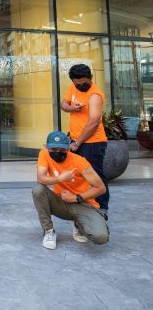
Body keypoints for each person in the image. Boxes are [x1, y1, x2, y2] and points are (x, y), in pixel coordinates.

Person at [32, 131, 109, 250]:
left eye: (62, 149)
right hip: (61, 202)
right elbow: (41, 178)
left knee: (101, 237)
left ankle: (78, 224)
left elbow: (101, 188)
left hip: (83, 203)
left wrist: (77, 197)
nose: (58, 152)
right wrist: (59, 179)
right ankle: (49, 231)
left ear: (69, 148)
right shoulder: (44, 154)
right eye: (53, 149)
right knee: (38, 189)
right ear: (46, 147)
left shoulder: (80, 162)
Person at [60, 64, 109, 218]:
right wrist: (72, 108)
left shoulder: (95, 95)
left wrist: (76, 143)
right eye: (77, 83)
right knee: (81, 176)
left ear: (90, 78)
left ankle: (102, 208)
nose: (81, 86)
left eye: (84, 83)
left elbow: (94, 123)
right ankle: (84, 205)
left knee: (95, 175)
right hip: (77, 140)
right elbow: (63, 104)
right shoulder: (73, 87)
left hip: (93, 143)